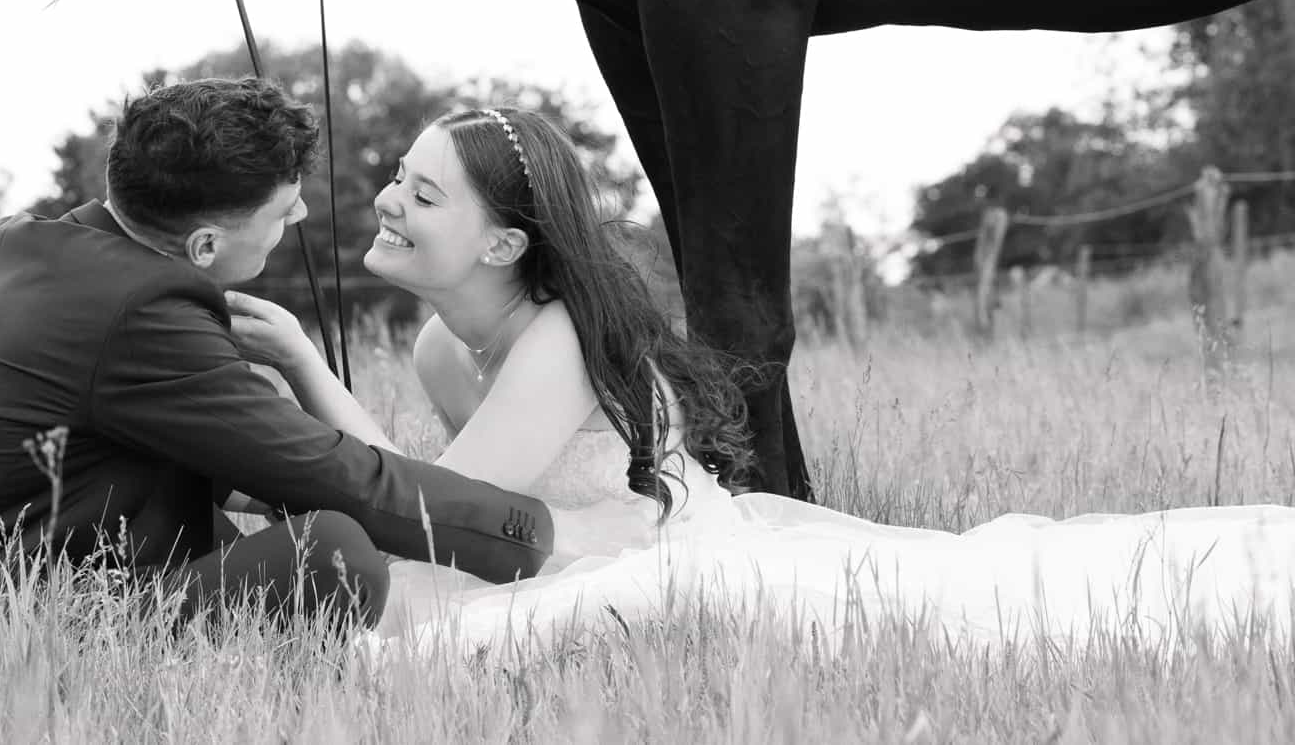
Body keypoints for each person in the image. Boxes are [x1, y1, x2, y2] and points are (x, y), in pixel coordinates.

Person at [226, 106, 1295, 653]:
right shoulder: (436, 345)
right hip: (546, 551)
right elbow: (444, 494)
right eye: (395, 180)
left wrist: (309, 373)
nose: (385, 202)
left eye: (422, 191)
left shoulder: (552, 338)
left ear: (503, 246)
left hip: (659, 558)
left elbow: (424, 506)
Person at [0, 79, 557, 634]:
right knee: (332, 552)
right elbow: (333, 473)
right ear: (204, 243)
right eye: (283, 212)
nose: (302, 212)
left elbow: (228, 460)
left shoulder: (24, 246)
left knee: (247, 495)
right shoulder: (140, 309)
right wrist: (529, 534)